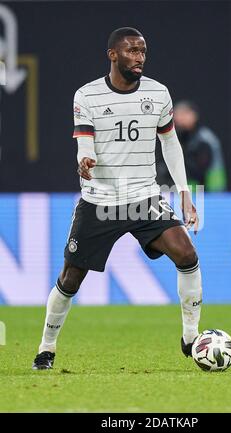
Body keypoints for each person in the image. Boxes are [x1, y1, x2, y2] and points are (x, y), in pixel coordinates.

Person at [32, 27, 203, 370]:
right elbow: (84, 141)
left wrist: (184, 192)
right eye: (132, 51)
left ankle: (190, 337)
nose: (139, 57)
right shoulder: (87, 95)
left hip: (145, 197)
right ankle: (46, 347)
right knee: (70, 279)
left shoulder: (158, 93)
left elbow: (170, 143)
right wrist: (85, 161)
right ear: (113, 54)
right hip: (100, 201)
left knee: (186, 253)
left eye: (143, 51)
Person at [157, 100, 227, 191]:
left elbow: (202, 172)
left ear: (194, 116)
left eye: (184, 114)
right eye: (177, 114)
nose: (180, 118)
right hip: (174, 191)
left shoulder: (206, 140)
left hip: (208, 193)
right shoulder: (169, 137)